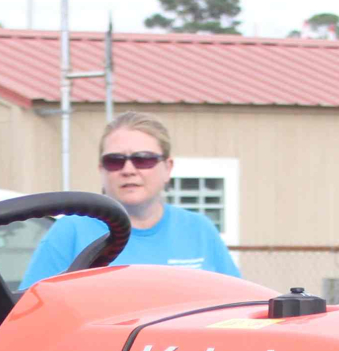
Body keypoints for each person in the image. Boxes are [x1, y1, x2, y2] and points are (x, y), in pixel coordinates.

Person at [17, 112, 243, 289]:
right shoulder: (70, 231)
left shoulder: (199, 230)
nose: (128, 170)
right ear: (101, 170)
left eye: (143, 160)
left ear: (168, 168)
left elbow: (238, 308)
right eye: (115, 161)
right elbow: (29, 314)